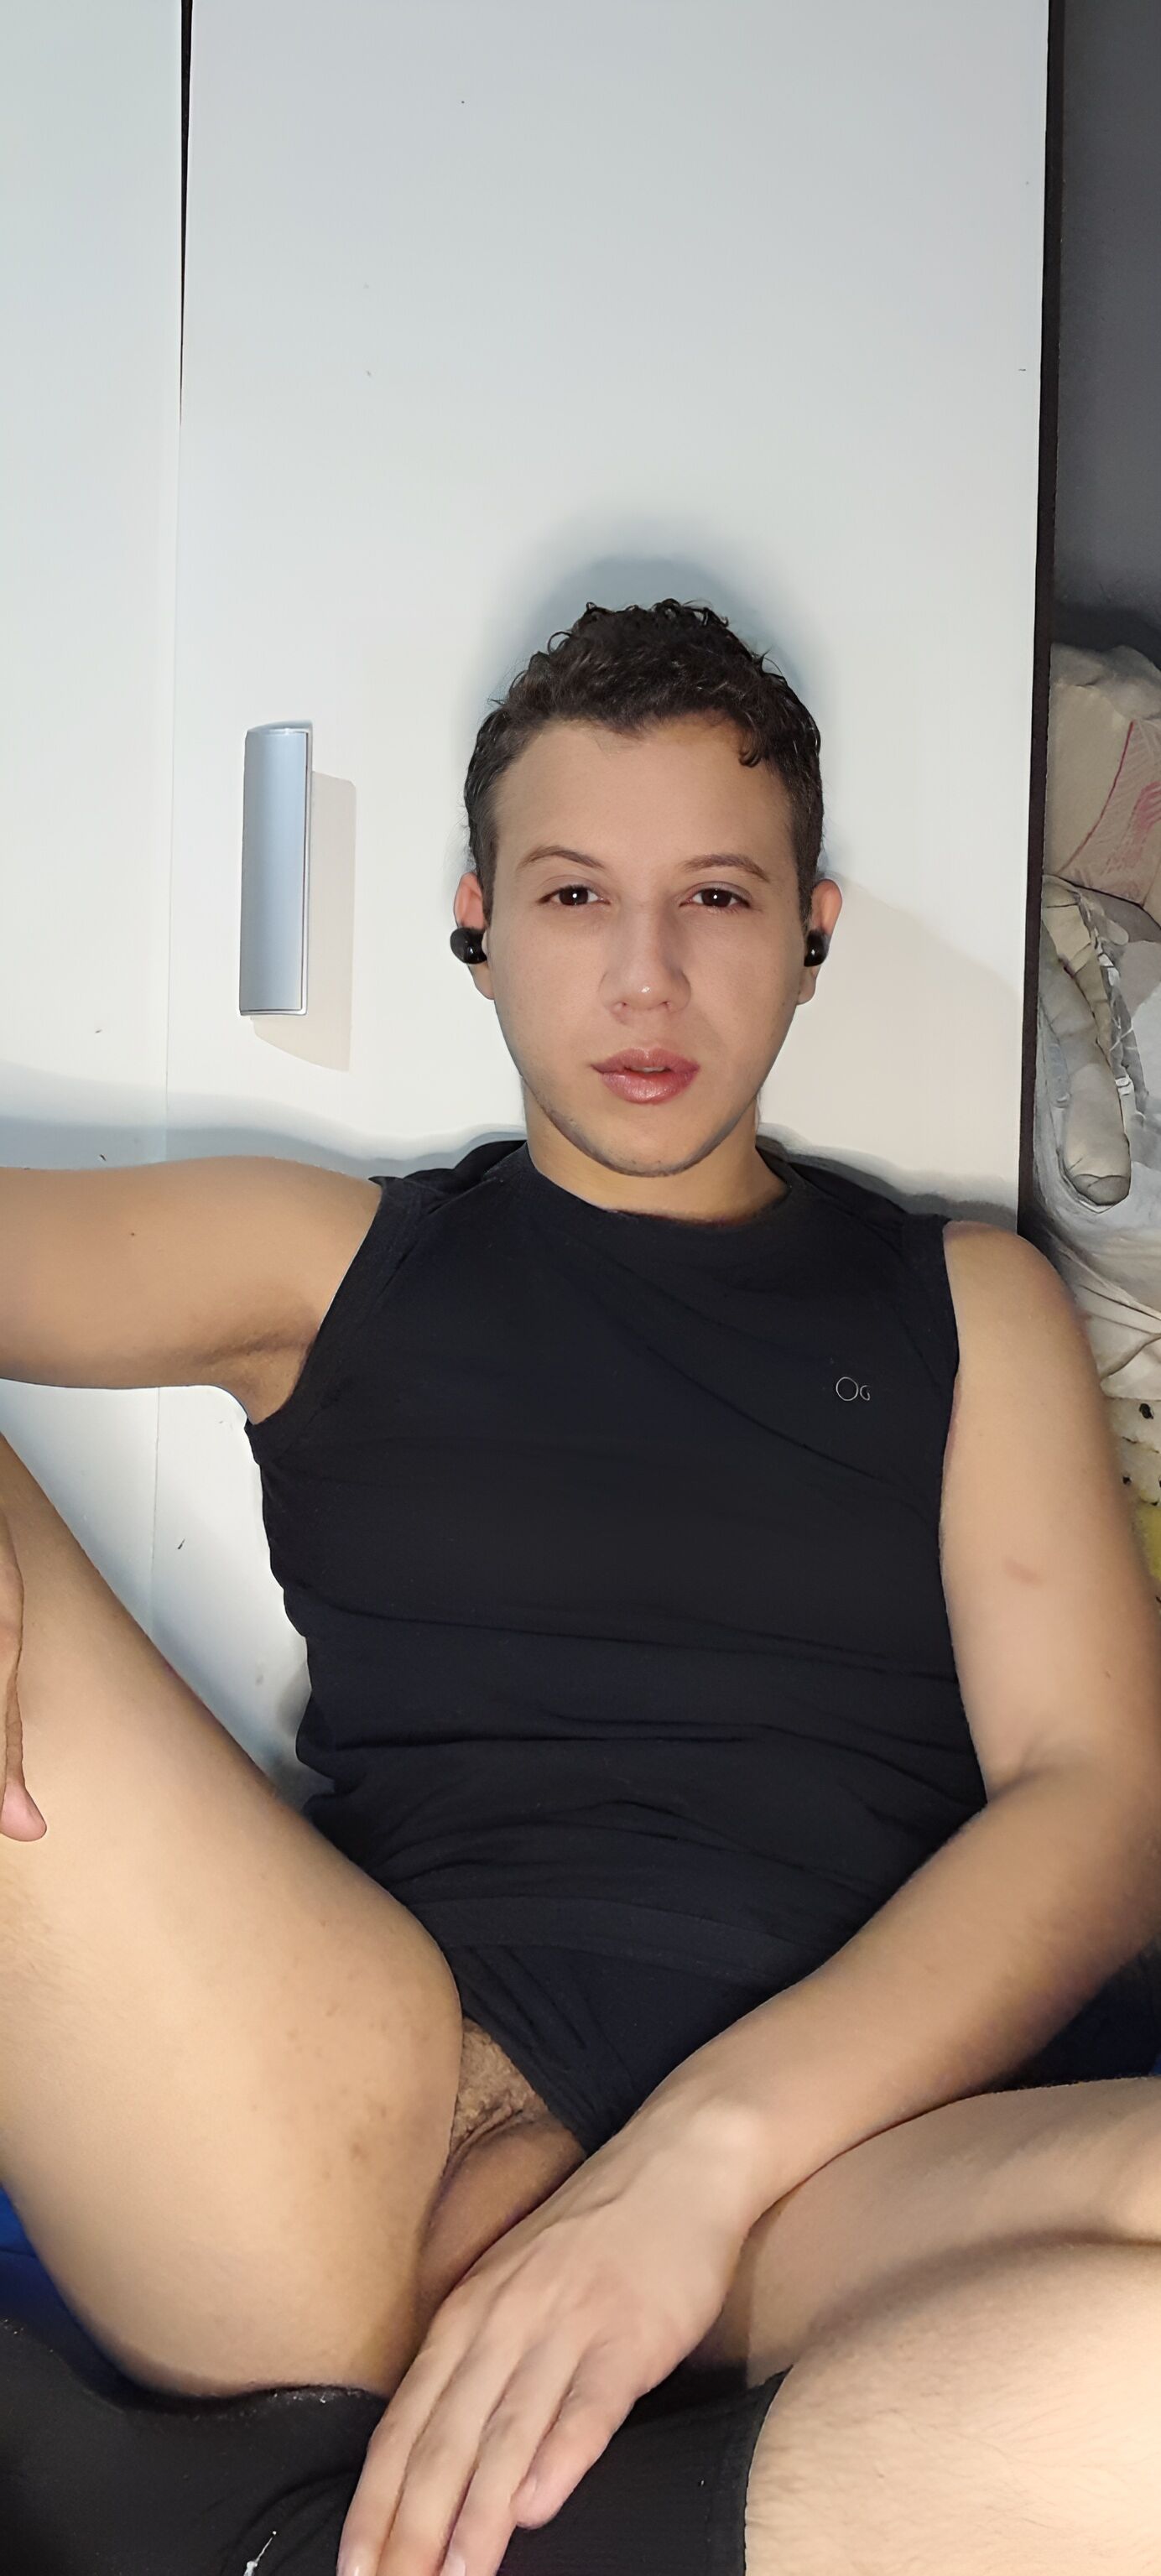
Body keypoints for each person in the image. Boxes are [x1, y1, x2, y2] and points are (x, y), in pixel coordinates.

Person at [3, 596, 1161, 2576]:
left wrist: (688, 2176)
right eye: (569, 896)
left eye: (715, 896)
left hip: (807, 2181)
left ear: (809, 928)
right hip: (350, 2111)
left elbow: (1104, 1803)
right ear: (476, 924)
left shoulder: (968, 1304)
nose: (644, 975)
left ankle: (267, 2530)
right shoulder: (329, 1261)